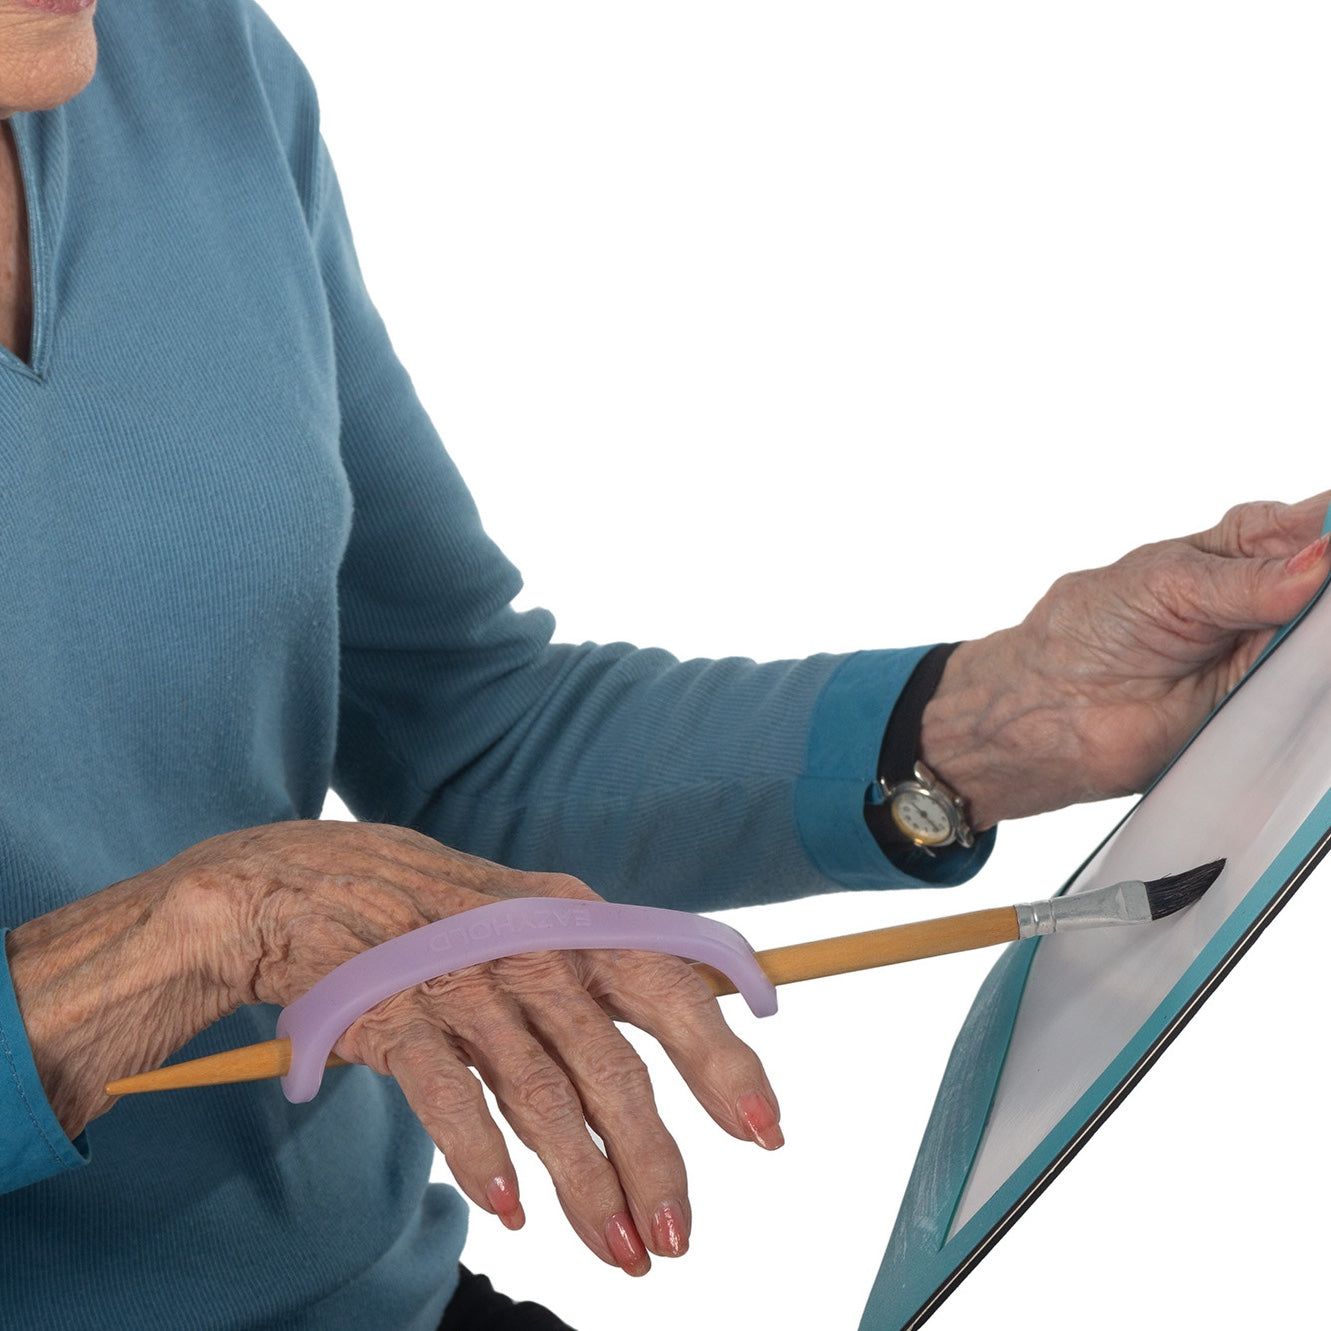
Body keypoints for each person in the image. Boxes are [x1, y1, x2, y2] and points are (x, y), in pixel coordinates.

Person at [1, 2, 1327, 1327]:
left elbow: (468, 737)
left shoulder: (187, 58)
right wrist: (181, 940)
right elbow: (236, 914)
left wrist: (974, 728)